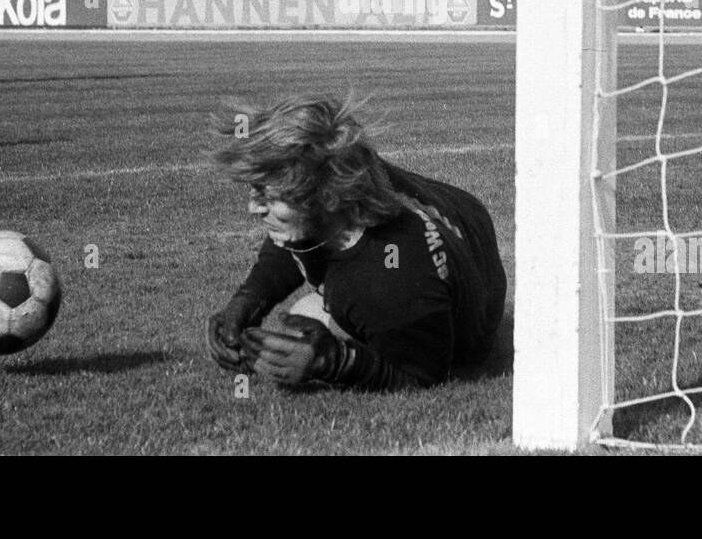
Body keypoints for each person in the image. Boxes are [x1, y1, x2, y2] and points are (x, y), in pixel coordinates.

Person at [206, 96, 507, 390]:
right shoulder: (343, 173)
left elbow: (421, 375)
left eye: (269, 197)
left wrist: (338, 362)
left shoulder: (387, 282)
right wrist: (247, 301)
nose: (253, 209)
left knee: (309, 315)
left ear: (324, 197)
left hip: (469, 283)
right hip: (457, 211)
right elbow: (295, 236)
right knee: (310, 309)